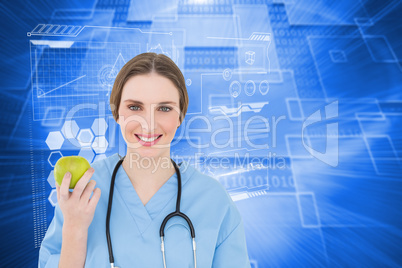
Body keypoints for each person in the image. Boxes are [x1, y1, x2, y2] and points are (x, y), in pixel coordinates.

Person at [38, 52, 251, 267]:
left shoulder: (213, 200)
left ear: (180, 116)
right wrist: (75, 227)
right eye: (135, 107)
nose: (148, 124)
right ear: (117, 113)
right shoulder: (84, 191)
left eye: (164, 108)